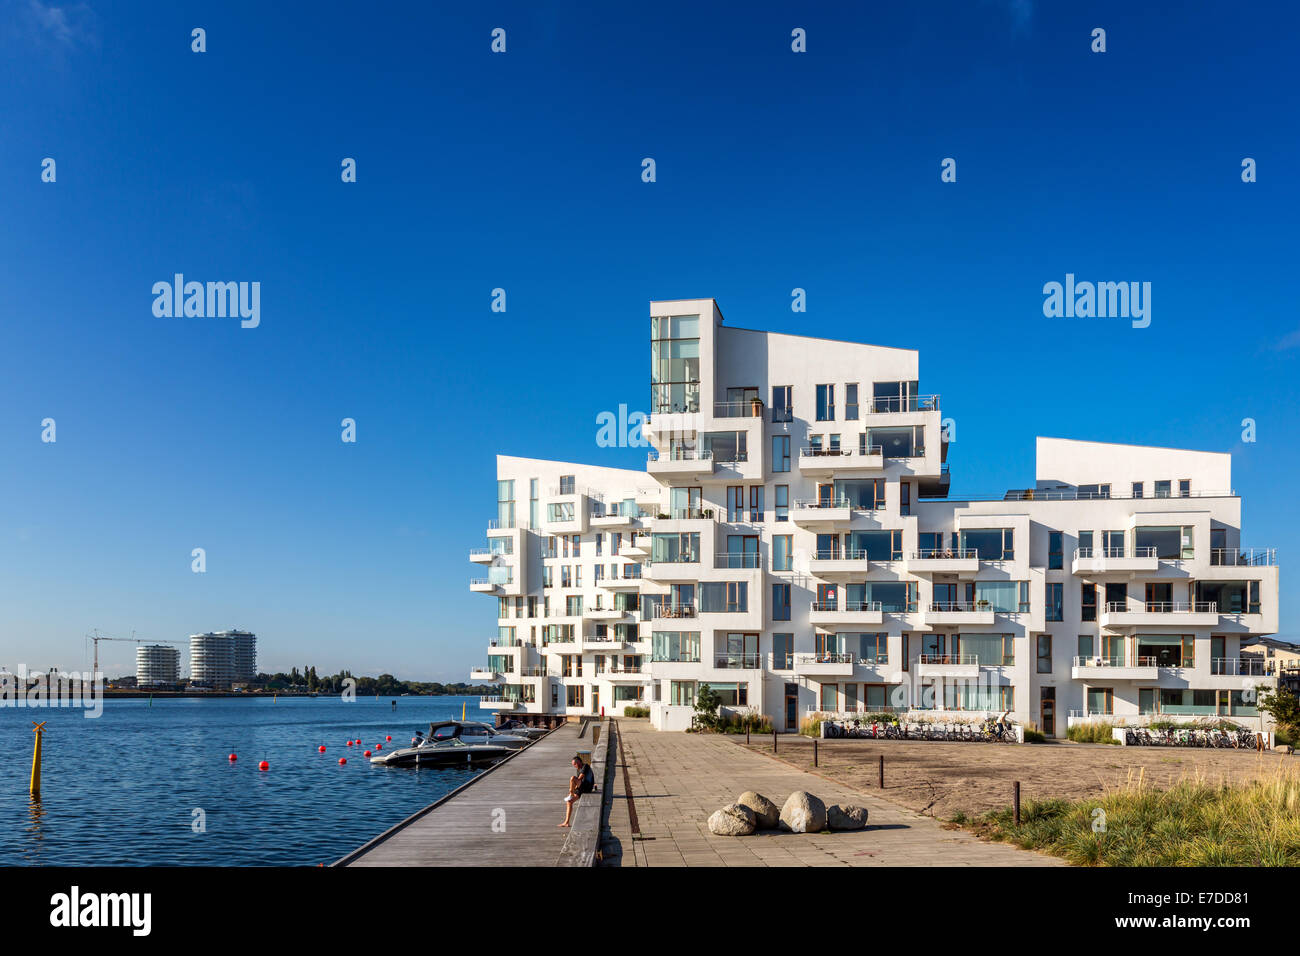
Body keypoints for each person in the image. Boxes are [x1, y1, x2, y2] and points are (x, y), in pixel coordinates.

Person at [558, 754, 595, 828]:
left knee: (572, 778)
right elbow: (577, 782)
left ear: (579, 762)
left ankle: (570, 794)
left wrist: (572, 790)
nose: (575, 765)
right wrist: (573, 789)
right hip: (581, 788)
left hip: (587, 787)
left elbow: (580, 778)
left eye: (575, 763)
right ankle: (566, 822)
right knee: (569, 802)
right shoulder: (578, 770)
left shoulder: (586, 766)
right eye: (574, 764)